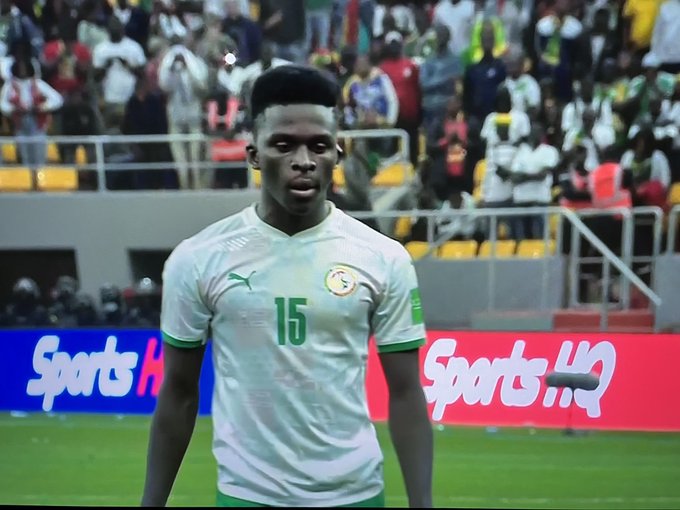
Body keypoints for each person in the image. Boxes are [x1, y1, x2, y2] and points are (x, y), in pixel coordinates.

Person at [141, 64, 433, 508]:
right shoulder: (198, 258)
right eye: (283, 145)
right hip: (246, 498)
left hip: (355, 496)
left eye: (319, 146)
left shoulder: (383, 258)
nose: (303, 161)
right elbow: (179, 394)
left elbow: (407, 393)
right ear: (254, 154)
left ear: (337, 153)